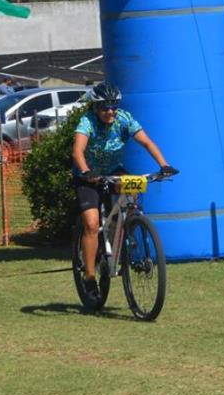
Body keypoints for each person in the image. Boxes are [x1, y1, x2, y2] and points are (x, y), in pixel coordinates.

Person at [72, 81, 177, 297]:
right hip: (88, 176)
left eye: (114, 107)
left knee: (134, 187)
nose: (110, 112)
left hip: (113, 170)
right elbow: (78, 151)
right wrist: (86, 171)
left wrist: (164, 165)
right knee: (91, 225)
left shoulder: (124, 119)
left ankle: (127, 227)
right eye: (105, 108)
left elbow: (147, 142)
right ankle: (90, 276)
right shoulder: (87, 121)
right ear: (95, 107)